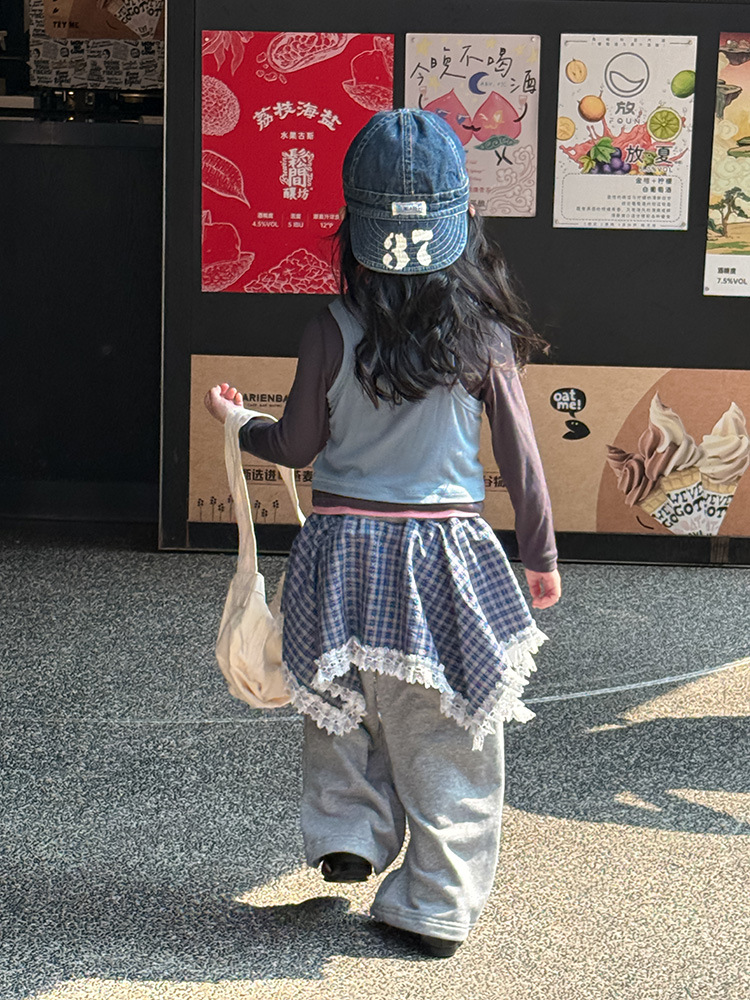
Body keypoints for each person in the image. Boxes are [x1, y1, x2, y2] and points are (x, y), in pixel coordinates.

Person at [204, 108, 561, 959]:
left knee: (338, 701)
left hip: (339, 552)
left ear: (355, 229)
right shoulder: (484, 334)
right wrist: (539, 556)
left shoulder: (328, 326)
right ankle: (433, 905)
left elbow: (297, 447)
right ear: (459, 224)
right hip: (442, 559)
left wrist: (238, 424)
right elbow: (521, 457)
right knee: (447, 732)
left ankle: (349, 834)